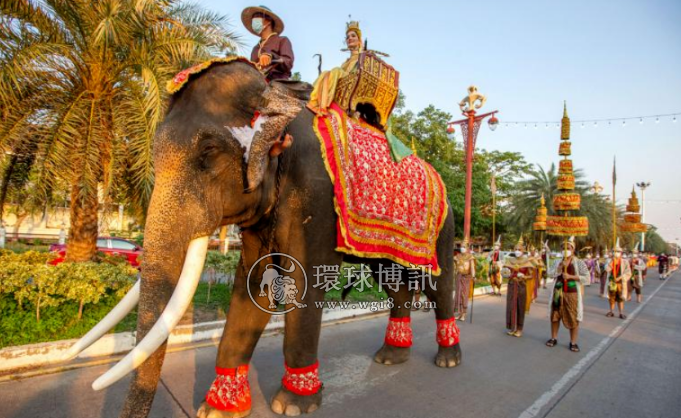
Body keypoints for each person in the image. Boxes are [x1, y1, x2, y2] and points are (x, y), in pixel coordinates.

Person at [308, 21, 363, 115]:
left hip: (353, 87)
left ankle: (323, 104)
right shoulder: (345, 62)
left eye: (353, 36)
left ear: (359, 40)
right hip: (342, 86)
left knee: (336, 70)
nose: (350, 38)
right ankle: (312, 99)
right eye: (348, 37)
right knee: (325, 72)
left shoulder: (364, 57)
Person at [545, 237, 589, 352]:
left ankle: (573, 342)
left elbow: (587, 278)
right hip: (558, 292)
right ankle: (553, 338)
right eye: (563, 248)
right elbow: (550, 274)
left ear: (573, 249)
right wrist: (559, 267)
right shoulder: (557, 261)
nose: (566, 250)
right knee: (555, 315)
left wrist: (571, 277)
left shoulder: (579, 262)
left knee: (573, 316)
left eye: (568, 248)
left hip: (572, 293)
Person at [241, 6, 294, 81]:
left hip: (278, 82)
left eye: (257, 17)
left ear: (268, 21)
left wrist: (271, 57)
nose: (254, 21)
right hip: (256, 83)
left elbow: (288, 62)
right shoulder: (255, 49)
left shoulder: (282, 40)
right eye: (253, 19)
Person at [502, 236, 533, 337]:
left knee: (520, 306)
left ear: (523, 250)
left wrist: (524, 276)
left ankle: (519, 328)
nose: (517, 251)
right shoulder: (510, 260)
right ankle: (512, 327)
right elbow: (504, 272)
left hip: (521, 286)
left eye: (519, 249)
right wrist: (506, 274)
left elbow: (531, 275)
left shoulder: (526, 261)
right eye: (515, 249)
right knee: (511, 306)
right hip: (511, 285)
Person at [605, 239, 632, 319]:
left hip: (621, 283)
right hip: (612, 283)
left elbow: (628, 273)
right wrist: (611, 263)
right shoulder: (610, 261)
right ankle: (611, 311)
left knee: (620, 298)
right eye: (614, 251)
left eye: (617, 252)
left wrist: (620, 277)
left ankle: (621, 313)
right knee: (611, 298)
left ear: (620, 253)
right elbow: (606, 269)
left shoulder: (625, 262)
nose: (616, 253)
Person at [454, 239, 476, 321]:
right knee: (458, 294)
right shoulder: (457, 256)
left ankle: (464, 313)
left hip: (466, 277)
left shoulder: (470, 256)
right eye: (461, 247)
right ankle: (459, 314)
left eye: (464, 247)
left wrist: (474, 276)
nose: (462, 248)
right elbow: (454, 265)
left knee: (464, 294)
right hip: (458, 276)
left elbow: (472, 267)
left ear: (467, 248)